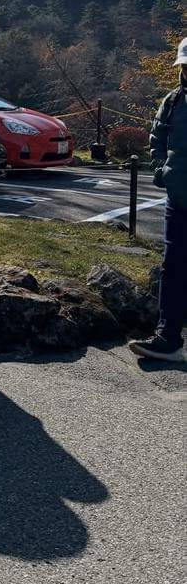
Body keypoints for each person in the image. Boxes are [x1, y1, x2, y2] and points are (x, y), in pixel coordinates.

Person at [129, 37, 187, 361]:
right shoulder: (173, 101)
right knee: (172, 268)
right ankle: (168, 339)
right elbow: (157, 135)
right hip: (178, 198)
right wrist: (160, 168)